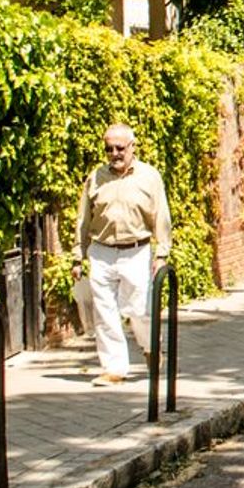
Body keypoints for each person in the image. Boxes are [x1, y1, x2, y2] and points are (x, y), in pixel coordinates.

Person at [73, 123, 172, 385]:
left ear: (132, 147)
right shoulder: (95, 178)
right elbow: (83, 219)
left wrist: (162, 253)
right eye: (109, 149)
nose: (115, 153)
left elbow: (161, 216)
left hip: (136, 250)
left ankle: (151, 348)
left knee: (139, 310)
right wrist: (78, 255)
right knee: (104, 312)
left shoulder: (149, 177)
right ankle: (114, 369)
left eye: (120, 148)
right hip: (101, 251)